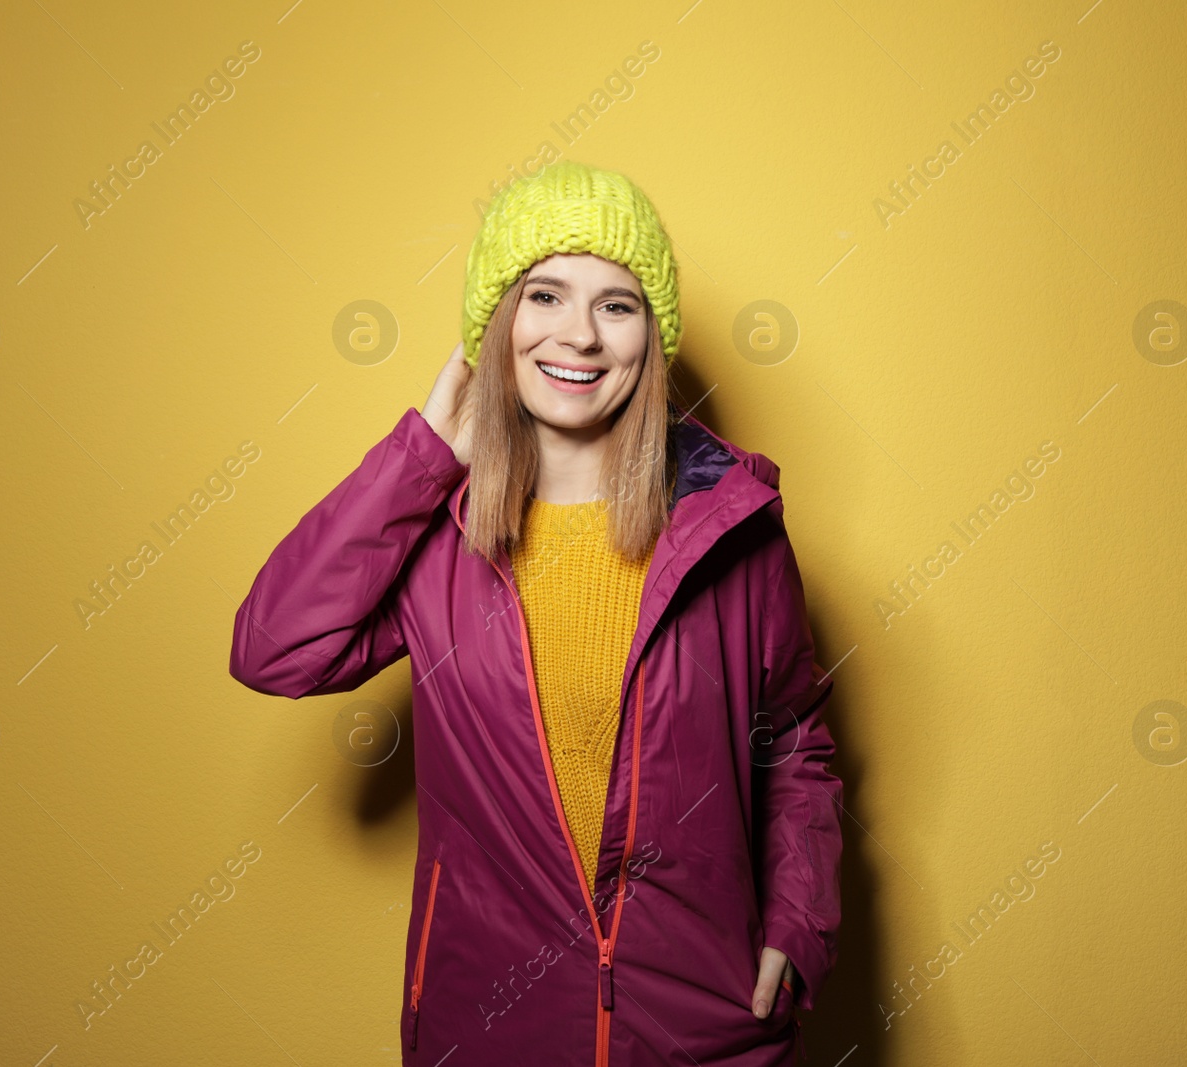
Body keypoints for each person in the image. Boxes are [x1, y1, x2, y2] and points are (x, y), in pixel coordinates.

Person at [229, 159, 843, 1066]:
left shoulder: (730, 528)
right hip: (489, 1024)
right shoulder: (435, 530)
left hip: (704, 1025)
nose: (580, 336)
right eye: (546, 294)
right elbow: (274, 649)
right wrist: (419, 458)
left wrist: (799, 923)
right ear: (497, 323)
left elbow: (794, 739)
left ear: (650, 339)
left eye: (617, 305)